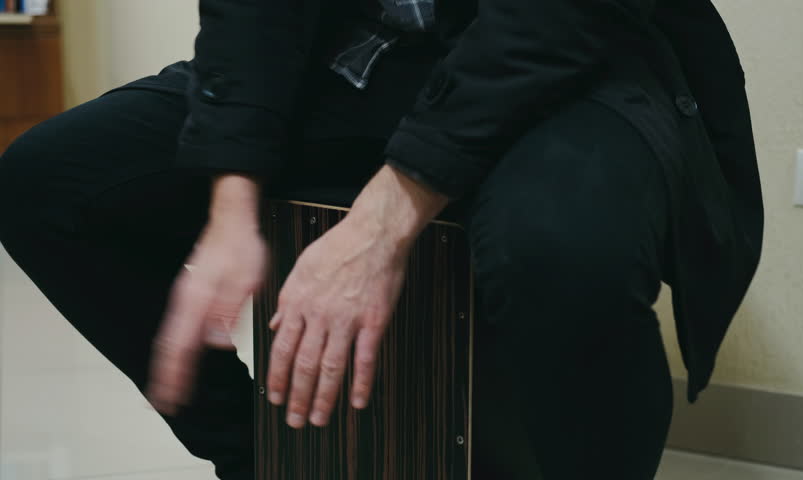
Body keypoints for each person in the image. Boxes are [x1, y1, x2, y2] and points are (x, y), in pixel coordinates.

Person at [0, 0, 764, 478]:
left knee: (560, 253)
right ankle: (261, 462)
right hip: (364, 45)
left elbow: (555, 19)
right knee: (46, 185)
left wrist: (383, 220)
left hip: (573, 51)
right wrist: (229, 206)